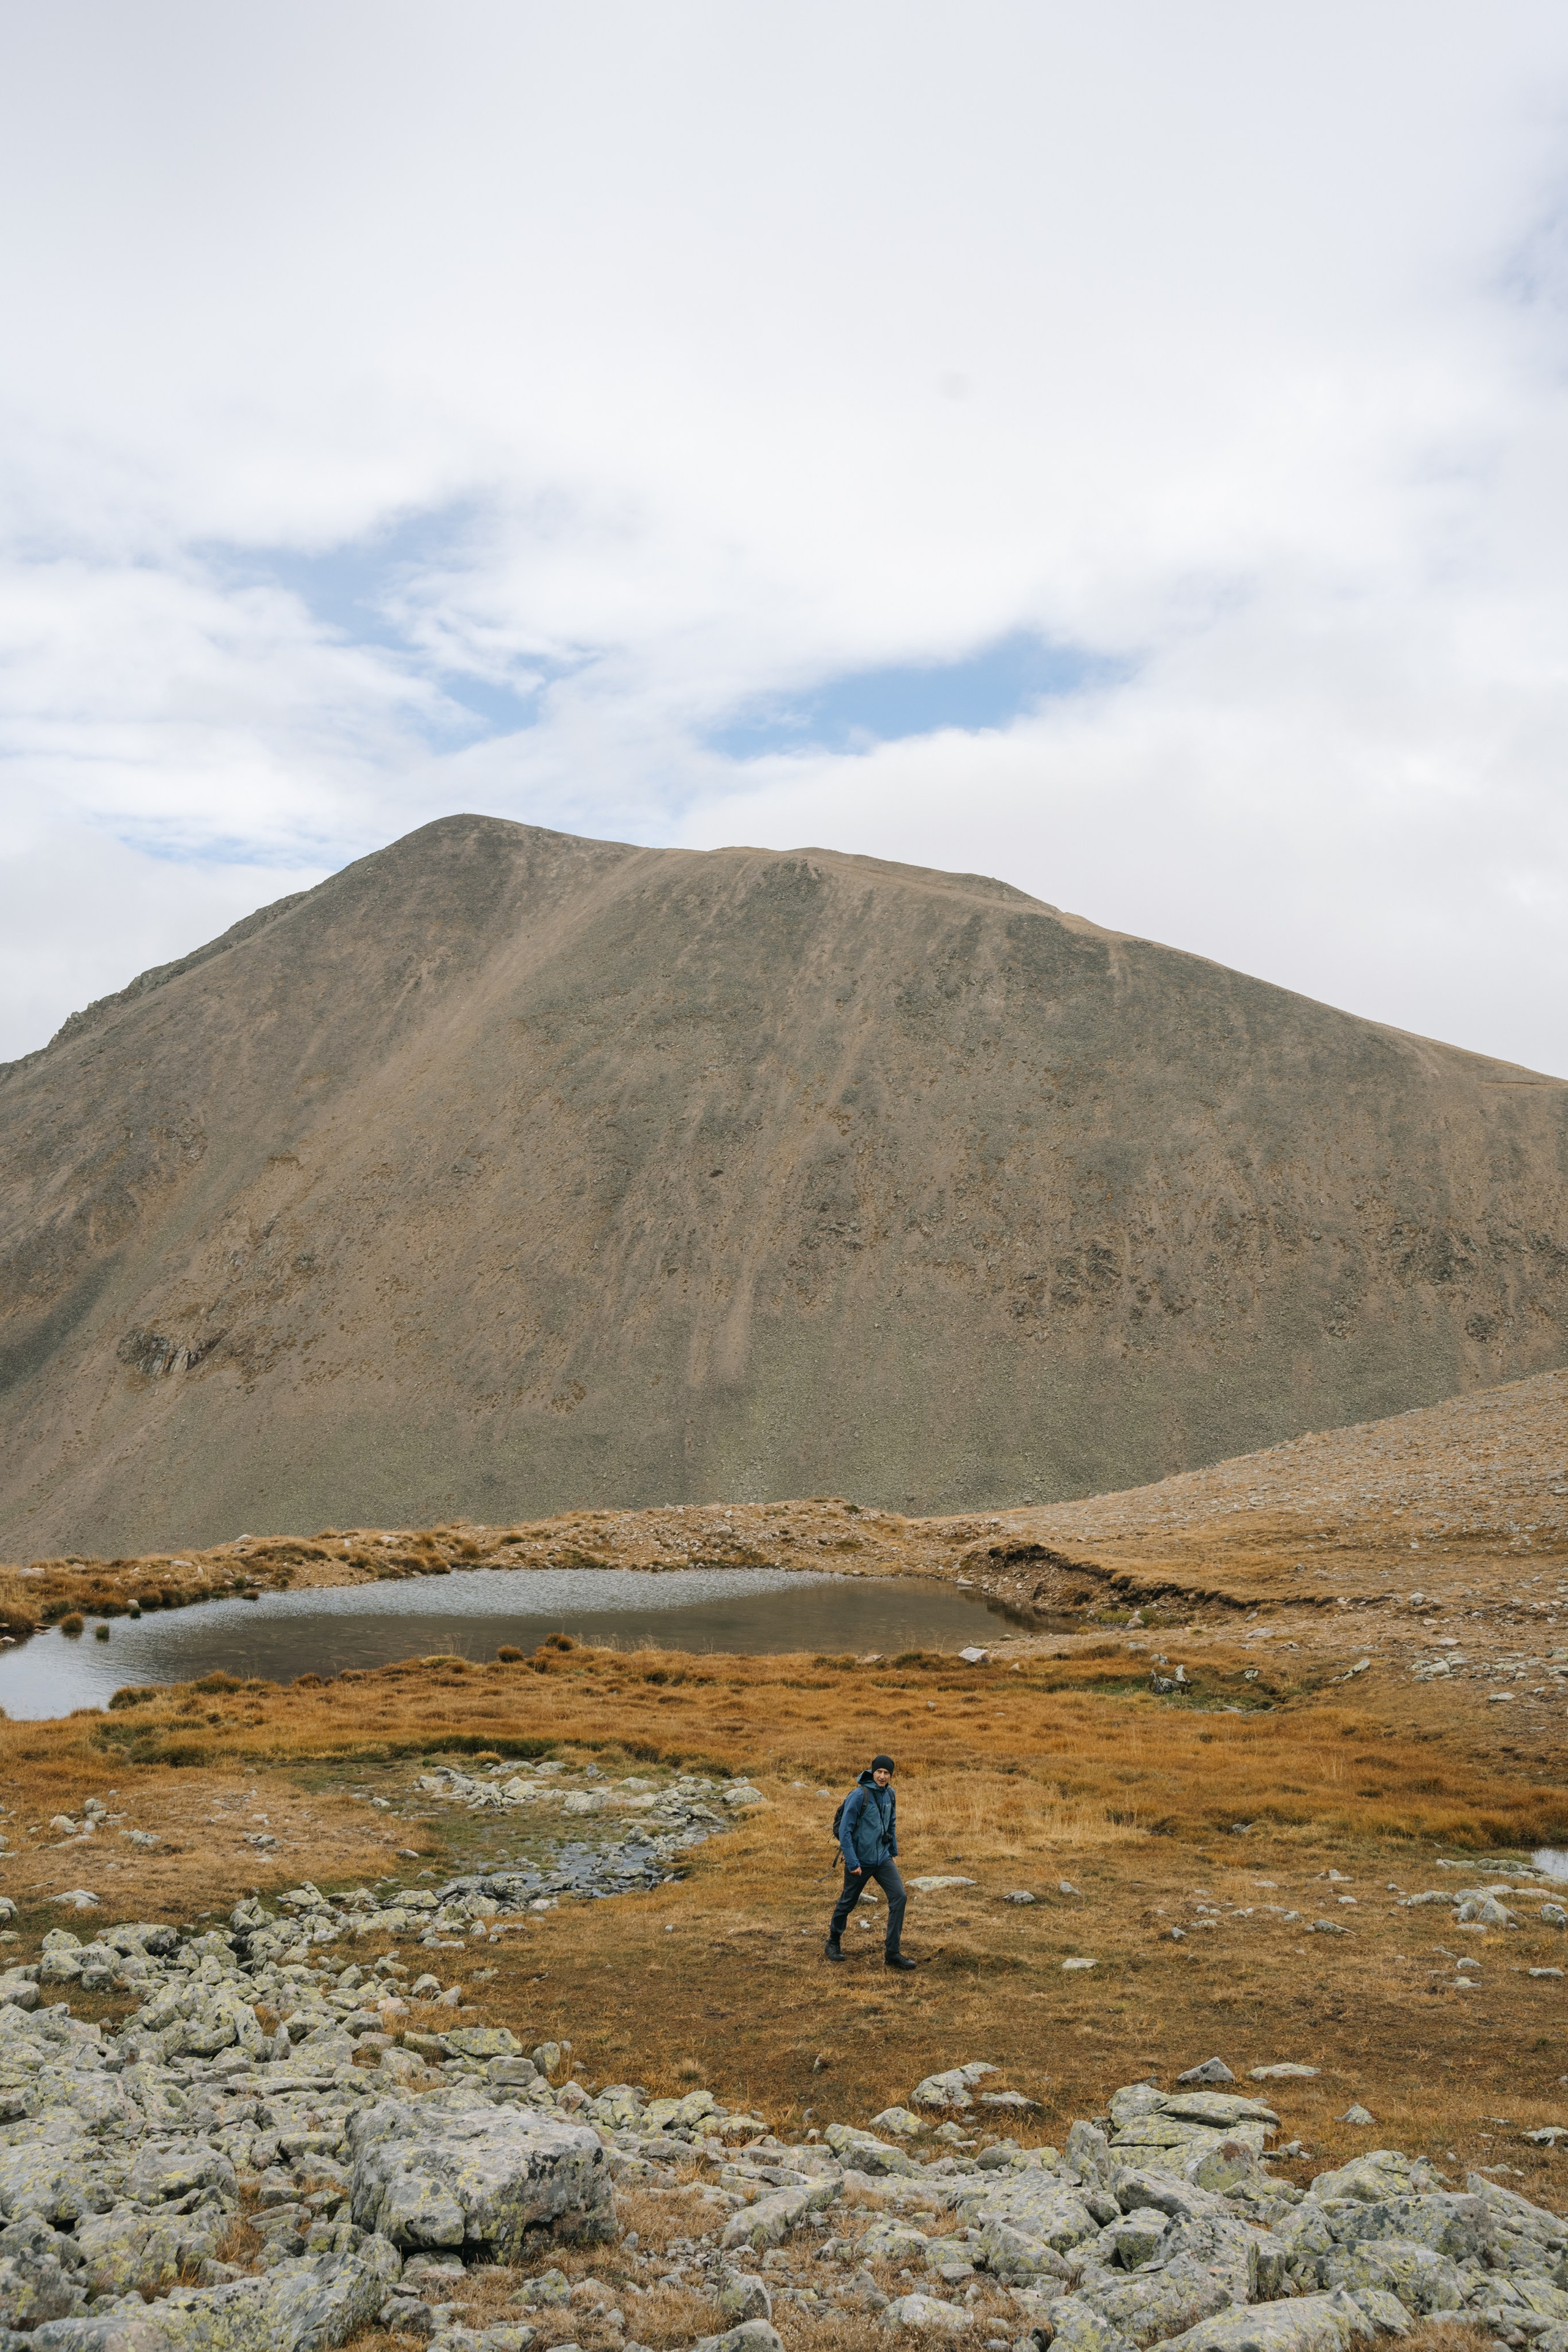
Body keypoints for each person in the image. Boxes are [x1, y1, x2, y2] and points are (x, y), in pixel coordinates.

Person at [825, 1752, 916, 1969]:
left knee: (900, 1897)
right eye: (879, 1772)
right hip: (860, 1861)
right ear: (872, 1772)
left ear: (891, 1775)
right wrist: (854, 1862)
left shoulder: (890, 1794)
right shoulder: (859, 1795)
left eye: (886, 1773)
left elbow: (891, 1823)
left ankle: (892, 1953)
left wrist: (893, 1850)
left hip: (883, 1858)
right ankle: (833, 1942)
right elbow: (845, 1831)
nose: (882, 1776)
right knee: (848, 1902)